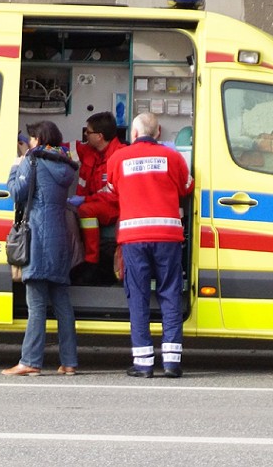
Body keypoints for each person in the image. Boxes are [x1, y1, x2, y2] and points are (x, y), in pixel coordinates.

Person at [106, 112, 194, 378]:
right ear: (158, 133)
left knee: (139, 297)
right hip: (167, 237)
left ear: (133, 134)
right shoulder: (173, 158)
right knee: (169, 294)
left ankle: (143, 364)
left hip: (134, 239)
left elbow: (112, 192)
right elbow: (187, 187)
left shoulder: (118, 158)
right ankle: (171, 363)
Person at [3, 121, 80, 376]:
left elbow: (16, 193)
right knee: (62, 304)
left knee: (36, 305)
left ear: (37, 139)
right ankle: (69, 362)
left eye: (32, 138)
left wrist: (16, 165)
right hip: (60, 240)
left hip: (37, 237)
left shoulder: (32, 161)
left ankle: (30, 361)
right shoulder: (66, 165)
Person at [71, 111, 127, 271]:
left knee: (85, 210)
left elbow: (114, 194)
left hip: (114, 206)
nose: (85, 135)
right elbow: (63, 148)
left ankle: (91, 261)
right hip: (95, 203)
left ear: (99, 136)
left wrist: (85, 200)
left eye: (88, 132)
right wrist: (41, 144)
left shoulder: (120, 155)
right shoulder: (88, 150)